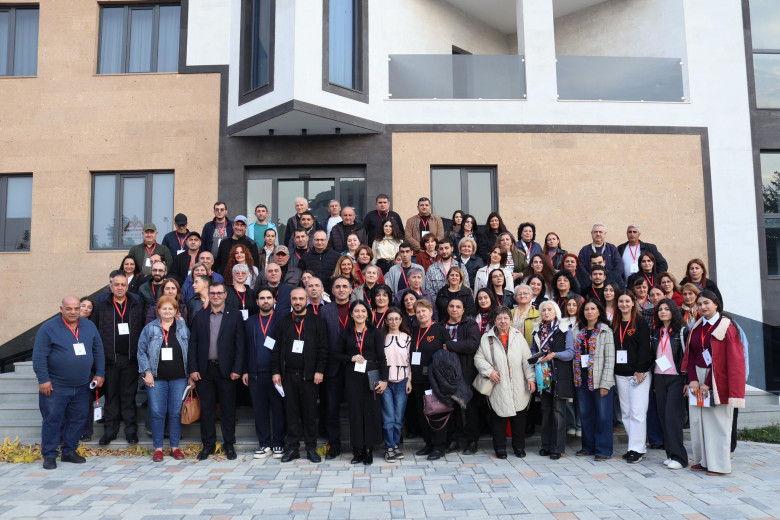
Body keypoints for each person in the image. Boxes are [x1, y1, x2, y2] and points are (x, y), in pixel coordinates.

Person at [33, 295, 105, 470]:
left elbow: (98, 350)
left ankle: (69, 451)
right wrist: (43, 379)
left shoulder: (89, 326)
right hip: (55, 386)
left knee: (78, 420)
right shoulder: (48, 328)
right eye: (69, 309)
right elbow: (39, 356)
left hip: (82, 385)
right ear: (61, 309)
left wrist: (100, 373)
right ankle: (49, 455)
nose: (73, 312)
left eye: (76, 308)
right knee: (52, 421)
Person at [683, 290, 746, 475]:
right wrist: (693, 379)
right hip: (698, 377)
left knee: (717, 423)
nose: (702, 307)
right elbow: (691, 355)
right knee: (699, 421)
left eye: (706, 303)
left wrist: (708, 383)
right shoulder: (696, 327)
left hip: (718, 380)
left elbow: (727, 360)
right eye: (699, 304)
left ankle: (719, 466)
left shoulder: (727, 327)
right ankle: (704, 460)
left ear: (716, 304)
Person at [187, 282, 245, 461]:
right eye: (213, 293)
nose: (216, 296)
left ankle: (229, 444)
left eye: (219, 293)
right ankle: (208, 444)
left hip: (227, 371)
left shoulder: (235, 315)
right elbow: (193, 344)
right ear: (209, 295)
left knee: (228, 409)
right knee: (207, 409)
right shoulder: (200, 315)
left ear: (225, 295)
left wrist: (237, 368)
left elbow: (240, 344)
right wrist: (193, 369)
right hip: (205, 370)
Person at [272, 288, 329, 463]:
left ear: (307, 300)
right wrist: (276, 371)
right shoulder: (283, 322)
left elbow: (323, 348)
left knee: (310, 414)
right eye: (294, 299)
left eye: (301, 299)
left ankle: (311, 448)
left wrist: (319, 370)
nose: (297, 302)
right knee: (291, 414)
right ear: (290, 300)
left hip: (309, 377)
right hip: (288, 376)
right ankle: (292, 448)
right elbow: (276, 349)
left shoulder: (317, 321)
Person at [474, 306, 535, 459]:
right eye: (499, 318)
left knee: (519, 418)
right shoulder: (487, 338)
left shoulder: (518, 336)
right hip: (498, 384)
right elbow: (478, 358)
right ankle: (500, 448)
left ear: (510, 320)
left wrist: (531, 378)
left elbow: (527, 360)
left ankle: (519, 447)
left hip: (518, 384)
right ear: (494, 320)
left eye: (506, 318)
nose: (503, 321)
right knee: (498, 418)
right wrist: (489, 371)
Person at [137, 295, 191, 462]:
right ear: (158, 310)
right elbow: (141, 351)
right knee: (157, 412)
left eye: (170, 308)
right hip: (156, 378)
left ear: (176, 311)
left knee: (175, 412)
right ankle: (158, 448)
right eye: (164, 308)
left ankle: (175, 447)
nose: (167, 311)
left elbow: (190, 351)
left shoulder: (183, 328)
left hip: (179, 378)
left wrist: (191, 374)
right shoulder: (150, 328)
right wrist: (146, 372)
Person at [93, 272, 144, 445]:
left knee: (128, 396)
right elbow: (95, 329)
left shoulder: (136, 302)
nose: (120, 287)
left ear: (127, 286)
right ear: (111, 286)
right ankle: (110, 431)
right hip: (110, 359)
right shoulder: (102, 304)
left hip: (130, 359)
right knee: (111, 397)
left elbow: (142, 327)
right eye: (116, 285)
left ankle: (131, 431)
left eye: (123, 284)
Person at [335, 301, 388, 465]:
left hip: (371, 375)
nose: (360, 314)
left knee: (371, 412)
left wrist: (385, 380)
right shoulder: (345, 333)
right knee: (355, 413)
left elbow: (382, 357)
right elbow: (336, 354)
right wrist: (350, 358)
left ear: (367, 314)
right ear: (351, 314)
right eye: (356, 311)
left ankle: (369, 449)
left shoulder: (375, 332)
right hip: (352, 376)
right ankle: (357, 449)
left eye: (363, 311)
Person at [243, 286, 289, 460]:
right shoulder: (250, 322)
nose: (265, 301)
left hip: (276, 374)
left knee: (278, 410)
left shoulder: (281, 320)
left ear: (274, 300)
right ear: (257, 301)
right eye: (262, 298)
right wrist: (245, 370)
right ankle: (264, 444)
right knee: (259, 411)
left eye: (268, 298)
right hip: (255, 373)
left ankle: (278, 443)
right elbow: (245, 348)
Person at [531, 301, 575, 459]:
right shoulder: (537, 330)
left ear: (556, 312)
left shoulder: (564, 328)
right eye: (543, 310)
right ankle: (545, 445)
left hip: (559, 375)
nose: (546, 312)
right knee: (546, 411)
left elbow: (570, 353)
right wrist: (537, 357)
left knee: (558, 412)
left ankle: (557, 448)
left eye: (549, 309)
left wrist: (555, 355)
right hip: (543, 375)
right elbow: (533, 350)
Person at [573, 299, 616, 461]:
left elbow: (610, 359)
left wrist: (606, 383)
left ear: (599, 311)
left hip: (600, 379)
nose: (589, 312)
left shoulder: (605, 331)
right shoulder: (578, 330)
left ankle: (603, 450)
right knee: (586, 414)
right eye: (586, 309)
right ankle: (588, 446)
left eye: (593, 309)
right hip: (582, 378)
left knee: (603, 416)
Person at [613, 292, 653, 464]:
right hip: (620, 373)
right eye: (621, 301)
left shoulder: (640, 322)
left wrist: (640, 369)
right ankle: (633, 446)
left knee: (637, 412)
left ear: (633, 303)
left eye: (627, 301)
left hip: (638, 373)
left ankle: (638, 449)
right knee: (626, 413)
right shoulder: (614, 323)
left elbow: (644, 348)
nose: (624, 304)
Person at [408, 299, 450, 460]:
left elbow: (447, 353)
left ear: (431, 312)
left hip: (434, 379)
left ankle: (439, 446)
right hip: (418, 379)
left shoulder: (439, 330)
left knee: (436, 412)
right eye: (418, 312)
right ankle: (428, 443)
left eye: (424, 311)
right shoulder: (414, 331)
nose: (421, 314)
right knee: (422, 413)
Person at [440, 299, 482, 455]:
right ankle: (454, 440)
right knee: (451, 408)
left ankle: (472, 441)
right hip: (446, 374)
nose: (454, 309)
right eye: (451, 306)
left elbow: (472, 344)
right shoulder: (441, 325)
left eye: (458, 307)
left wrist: (450, 345)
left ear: (463, 310)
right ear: (447, 308)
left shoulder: (470, 324)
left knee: (469, 408)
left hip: (466, 372)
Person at [319, 276, 353, 460]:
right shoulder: (325, 310)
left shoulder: (358, 308)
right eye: (337, 287)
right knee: (331, 409)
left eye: (344, 286)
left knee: (355, 409)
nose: (341, 290)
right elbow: (321, 340)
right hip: (332, 367)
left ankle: (358, 444)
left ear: (350, 290)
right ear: (332, 291)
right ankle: (334, 445)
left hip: (354, 367)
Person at [652, 299, 689, 470]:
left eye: (666, 309)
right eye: (660, 309)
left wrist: (687, 380)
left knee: (672, 418)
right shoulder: (656, 332)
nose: (663, 312)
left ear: (673, 311)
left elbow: (687, 357)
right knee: (662, 417)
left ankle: (680, 458)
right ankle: (670, 454)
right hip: (659, 377)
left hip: (676, 378)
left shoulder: (682, 331)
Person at [380, 307, 412, 463]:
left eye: (396, 319)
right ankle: (389, 447)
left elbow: (410, 361)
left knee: (398, 417)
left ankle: (395, 445)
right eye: (390, 319)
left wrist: (409, 380)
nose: (393, 322)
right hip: (385, 382)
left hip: (402, 381)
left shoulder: (407, 338)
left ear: (401, 320)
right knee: (388, 417)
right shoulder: (381, 337)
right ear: (386, 321)